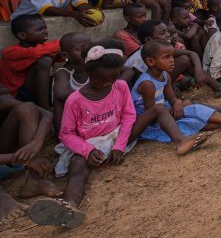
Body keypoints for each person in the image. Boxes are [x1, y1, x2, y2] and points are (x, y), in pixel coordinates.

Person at [31, 41, 136, 229]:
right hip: (88, 143)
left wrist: (120, 145)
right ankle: (69, 207)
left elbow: (129, 116)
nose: (107, 84)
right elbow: (67, 134)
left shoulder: (119, 86)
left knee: (147, 117)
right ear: (89, 73)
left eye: (113, 78)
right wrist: (87, 150)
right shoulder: (75, 100)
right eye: (102, 79)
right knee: (78, 166)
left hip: (116, 135)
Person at [131, 41, 221, 145]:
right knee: (190, 120)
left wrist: (177, 103)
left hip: (163, 113)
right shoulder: (147, 84)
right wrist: (173, 113)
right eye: (166, 57)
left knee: (192, 109)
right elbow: (152, 114)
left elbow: (171, 98)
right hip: (150, 125)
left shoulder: (164, 75)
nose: (172, 60)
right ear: (151, 62)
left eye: (172, 56)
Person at [123, 20, 221, 98]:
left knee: (186, 59)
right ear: (148, 40)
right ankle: (219, 88)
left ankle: (220, 88)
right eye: (162, 33)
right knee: (184, 61)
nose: (167, 35)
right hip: (147, 94)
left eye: (167, 32)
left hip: (160, 83)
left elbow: (191, 53)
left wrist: (198, 70)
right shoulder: (139, 59)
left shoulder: (157, 49)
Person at [0, 83, 61, 218]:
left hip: (5, 156)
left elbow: (46, 115)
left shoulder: (3, 97)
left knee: (27, 109)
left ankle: (35, 180)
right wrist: (24, 159)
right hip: (9, 158)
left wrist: (35, 144)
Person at [0, 14, 60, 108]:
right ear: (22, 35)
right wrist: (64, 43)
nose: (45, 32)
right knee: (45, 60)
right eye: (40, 29)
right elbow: (34, 53)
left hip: (33, 91)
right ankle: (45, 109)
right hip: (16, 96)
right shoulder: (10, 52)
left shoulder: (42, 49)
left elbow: (59, 55)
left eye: (45, 28)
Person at [52, 32, 90, 134]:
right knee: (58, 99)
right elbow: (61, 94)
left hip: (92, 112)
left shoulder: (94, 67)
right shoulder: (63, 72)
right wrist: (93, 93)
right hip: (72, 116)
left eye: (89, 47)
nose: (86, 51)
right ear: (65, 55)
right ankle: (62, 134)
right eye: (80, 49)